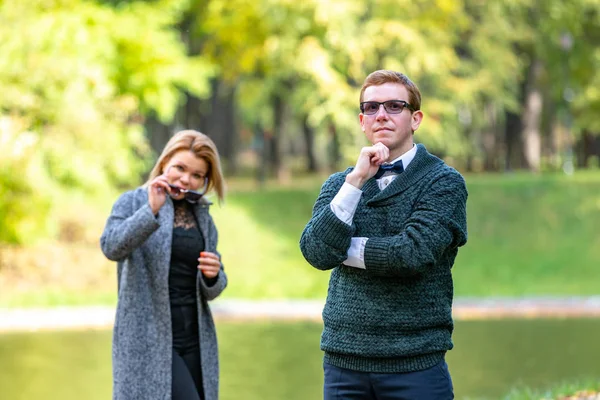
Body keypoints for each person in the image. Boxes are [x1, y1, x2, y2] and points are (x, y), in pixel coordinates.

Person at [299, 70, 468, 399]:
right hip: (343, 364)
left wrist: (342, 248)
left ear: (415, 118)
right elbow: (316, 252)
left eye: (394, 106)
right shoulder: (340, 184)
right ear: (362, 120)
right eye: (372, 107)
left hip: (415, 364)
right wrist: (356, 181)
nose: (381, 115)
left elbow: (411, 254)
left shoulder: (443, 182)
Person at [101, 129, 227, 400]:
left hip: (196, 338)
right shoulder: (132, 201)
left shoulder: (202, 215)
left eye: (197, 175)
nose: (186, 179)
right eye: (180, 168)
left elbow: (213, 289)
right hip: (149, 337)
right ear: (164, 162)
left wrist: (214, 275)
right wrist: (151, 211)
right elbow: (111, 247)